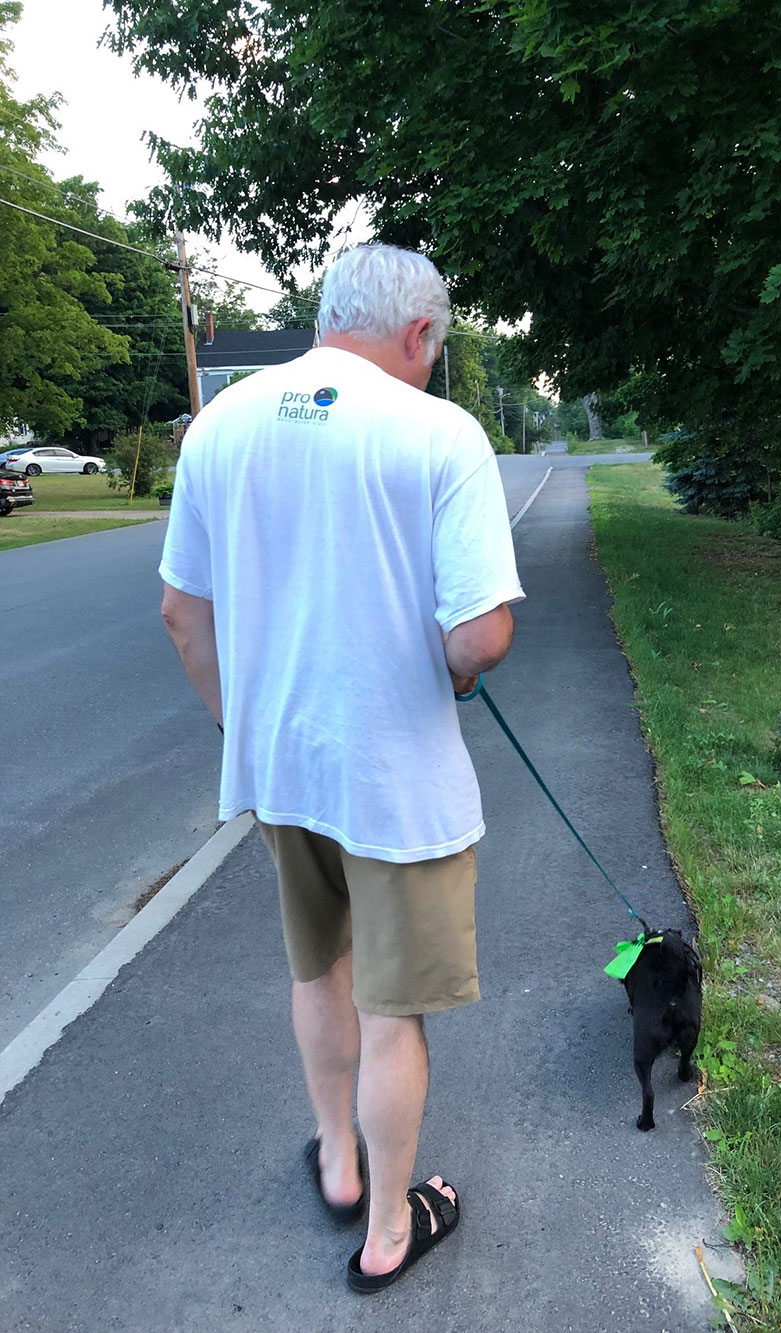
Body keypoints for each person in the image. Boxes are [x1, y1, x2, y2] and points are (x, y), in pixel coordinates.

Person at [159, 243, 523, 1292]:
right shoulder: (439, 434)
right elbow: (481, 636)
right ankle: (388, 1229)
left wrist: (245, 731)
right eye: (435, 350)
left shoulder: (218, 425)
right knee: (390, 1007)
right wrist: (454, 673)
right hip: (394, 783)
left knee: (315, 968)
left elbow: (183, 613)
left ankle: (335, 1158)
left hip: (282, 773)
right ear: (419, 335)